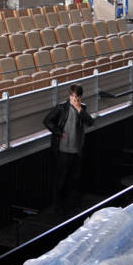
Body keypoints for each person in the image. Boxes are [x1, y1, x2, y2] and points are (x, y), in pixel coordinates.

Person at [44, 84, 94, 213]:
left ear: (80, 97)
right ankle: (57, 206)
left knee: (75, 179)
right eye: (72, 96)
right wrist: (58, 133)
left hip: (77, 150)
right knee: (61, 179)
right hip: (63, 150)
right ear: (69, 95)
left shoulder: (82, 108)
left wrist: (78, 108)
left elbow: (90, 122)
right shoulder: (61, 108)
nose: (73, 99)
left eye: (76, 97)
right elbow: (47, 120)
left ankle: (72, 204)